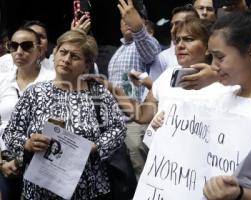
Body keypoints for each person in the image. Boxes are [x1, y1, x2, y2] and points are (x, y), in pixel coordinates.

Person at [154, 4, 251, 200]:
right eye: (211, 56)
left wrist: (240, 194)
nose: (213, 66)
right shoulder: (222, 96)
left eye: (219, 57)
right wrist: (170, 127)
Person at [2, 29, 126, 200]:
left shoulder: (99, 95)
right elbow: (11, 132)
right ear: (55, 54)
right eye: (63, 52)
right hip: (40, 191)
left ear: (87, 65)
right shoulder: (35, 93)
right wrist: (28, 144)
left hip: (88, 190)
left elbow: (118, 129)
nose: (66, 60)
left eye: (75, 57)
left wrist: (94, 147)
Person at [0, 27, 55, 200]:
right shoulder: (2, 80)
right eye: (13, 46)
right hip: (5, 161)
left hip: (41, 163)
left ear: (39, 50)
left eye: (26, 46)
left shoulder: (52, 81)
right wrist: (1, 163)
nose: (19, 52)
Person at [108, 0, 160, 179]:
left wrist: (139, 29)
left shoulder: (145, 43)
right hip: (117, 122)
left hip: (136, 122)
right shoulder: (119, 50)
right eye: (123, 19)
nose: (127, 22)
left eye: (131, 18)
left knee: (142, 174)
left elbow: (151, 52)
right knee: (125, 177)